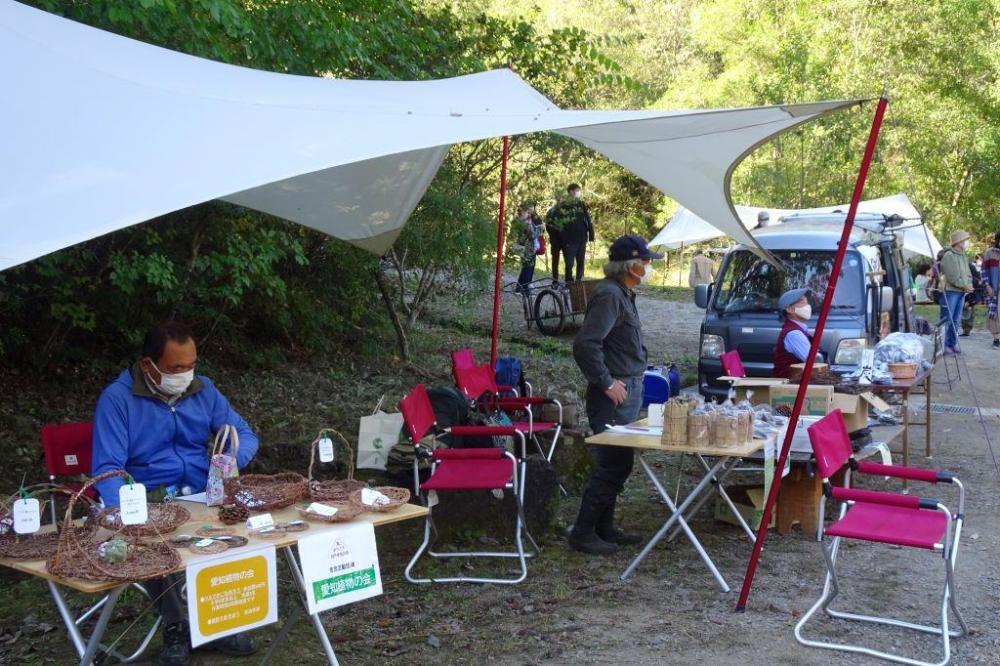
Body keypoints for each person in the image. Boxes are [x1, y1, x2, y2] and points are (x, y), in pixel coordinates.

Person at [92, 321, 260, 666]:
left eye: (191, 365)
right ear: (148, 365)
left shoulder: (204, 390)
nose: (185, 374)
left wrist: (228, 462)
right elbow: (107, 466)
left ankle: (219, 619)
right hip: (149, 497)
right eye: (175, 368)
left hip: (203, 491)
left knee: (235, 530)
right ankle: (176, 625)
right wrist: (125, 514)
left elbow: (244, 433)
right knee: (155, 546)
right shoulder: (118, 399)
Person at [569, 235, 663, 555]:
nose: (649, 267)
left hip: (627, 390)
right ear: (630, 265)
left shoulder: (622, 293)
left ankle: (602, 528)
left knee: (619, 463)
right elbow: (585, 344)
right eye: (646, 261)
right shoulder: (609, 295)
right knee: (611, 464)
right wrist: (607, 382)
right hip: (613, 395)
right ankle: (582, 532)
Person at [550, 183, 594, 283]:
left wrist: (591, 234)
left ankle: (578, 280)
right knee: (569, 263)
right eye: (576, 191)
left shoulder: (581, 204)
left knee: (580, 261)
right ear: (571, 192)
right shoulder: (564, 205)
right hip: (569, 239)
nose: (578, 193)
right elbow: (556, 222)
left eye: (578, 191)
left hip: (582, 237)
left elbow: (587, 219)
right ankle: (568, 281)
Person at [772, 288, 820, 378]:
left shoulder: (798, 329)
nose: (808, 306)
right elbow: (815, 362)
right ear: (789, 309)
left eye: (807, 302)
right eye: (802, 302)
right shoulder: (794, 333)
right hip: (790, 386)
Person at [939, 230, 974, 355]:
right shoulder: (949, 255)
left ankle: (951, 345)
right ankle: (943, 346)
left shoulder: (964, 255)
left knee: (956, 320)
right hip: (950, 292)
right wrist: (964, 286)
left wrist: (969, 285)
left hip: (961, 292)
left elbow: (968, 273)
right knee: (947, 319)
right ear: (959, 241)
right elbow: (952, 276)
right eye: (965, 240)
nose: (967, 242)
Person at [514, 202, 543, 293]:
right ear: (522, 212)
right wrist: (538, 228)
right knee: (528, 268)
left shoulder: (524, 221)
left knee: (527, 268)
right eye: (527, 212)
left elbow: (538, 229)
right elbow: (533, 234)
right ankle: (525, 289)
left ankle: (519, 288)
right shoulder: (523, 222)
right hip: (526, 249)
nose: (529, 214)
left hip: (529, 248)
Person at [982, 233, 1000, 349]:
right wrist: (987, 286)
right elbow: (983, 270)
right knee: (994, 314)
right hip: (994, 288)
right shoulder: (990, 253)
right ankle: (996, 339)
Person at [961, 259, 985, 337]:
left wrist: (970, 302)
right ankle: (965, 329)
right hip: (963, 298)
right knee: (964, 314)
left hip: (970, 299)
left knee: (968, 314)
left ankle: (967, 330)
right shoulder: (963, 278)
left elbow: (977, 291)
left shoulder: (975, 280)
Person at [545, 195, 566, 282]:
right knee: (555, 261)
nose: (560, 200)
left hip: (566, 240)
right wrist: (552, 235)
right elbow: (547, 225)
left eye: (562, 198)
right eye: (559, 198)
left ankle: (568, 281)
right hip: (555, 240)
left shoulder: (567, 211)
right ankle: (555, 280)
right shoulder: (551, 211)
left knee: (568, 261)